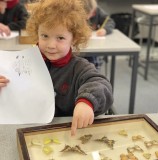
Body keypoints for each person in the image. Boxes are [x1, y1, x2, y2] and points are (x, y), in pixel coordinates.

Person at [0, 0, 113, 136]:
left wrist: (87, 101)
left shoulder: (79, 68)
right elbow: (12, 100)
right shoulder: (23, 64)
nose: (51, 45)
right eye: (45, 36)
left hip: (66, 133)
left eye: (60, 38)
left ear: (74, 39)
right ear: (37, 33)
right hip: (28, 130)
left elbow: (101, 84)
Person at [82, 0, 115, 71]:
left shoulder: (97, 11)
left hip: (93, 45)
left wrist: (105, 30)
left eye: (90, 14)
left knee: (92, 58)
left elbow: (110, 22)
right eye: (84, 14)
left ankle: (93, 70)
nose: (87, 18)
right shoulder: (74, 12)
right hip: (78, 46)